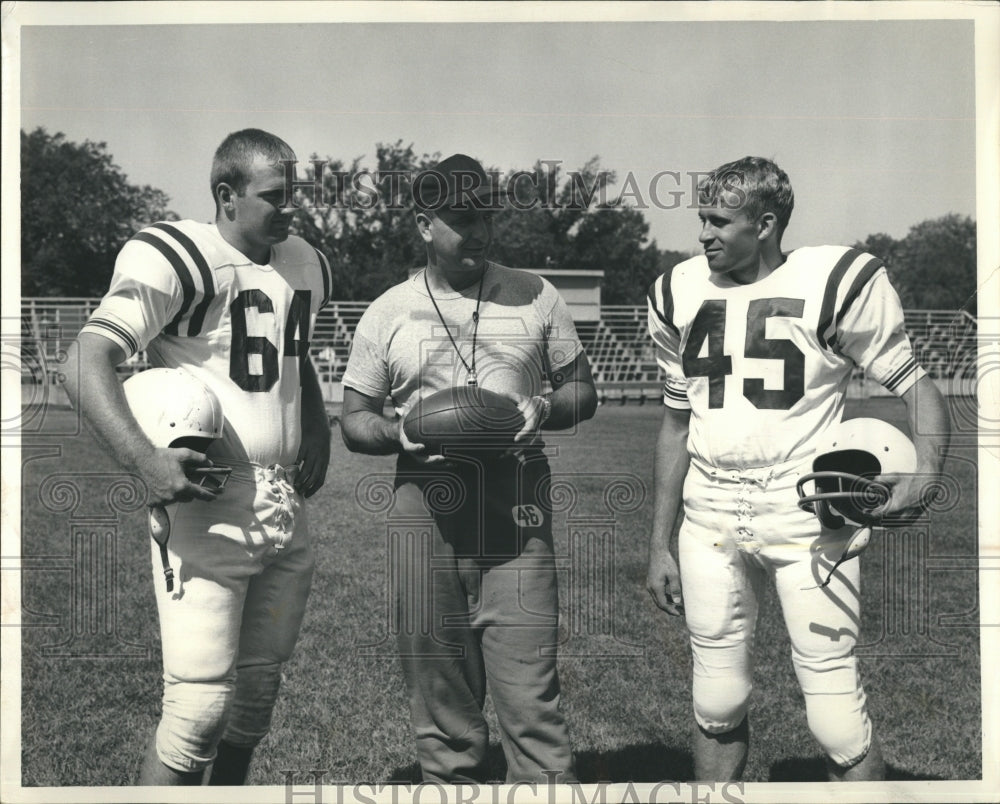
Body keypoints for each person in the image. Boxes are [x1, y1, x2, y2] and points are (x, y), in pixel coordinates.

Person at [645, 156, 951, 781]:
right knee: (716, 699)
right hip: (708, 513)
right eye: (701, 217)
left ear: (764, 224)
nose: (703, 233)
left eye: (719, 221)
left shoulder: (833, 280)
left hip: (806, 509)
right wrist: (658, 542)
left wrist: (924, 474)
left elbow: (916, 385)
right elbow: (676, 424)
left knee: (836, 719)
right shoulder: (676, 290)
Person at [62, 128, 334, 786]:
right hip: (208, 504)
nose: (292, 208)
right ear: (226, 195)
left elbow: (290, 355)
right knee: (197, 711)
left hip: (283, 504)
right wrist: (141, 459)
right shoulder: (181, 253)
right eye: (276, 195)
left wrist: (316, 426)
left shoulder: (305, 261)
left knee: (253, 703)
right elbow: (82, 360)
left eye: (296, 192)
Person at [339, 153, 597, 783]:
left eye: (486, 217)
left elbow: (584, 392)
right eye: (461, 219)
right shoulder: (389, 310)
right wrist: (399, 432)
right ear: (425, 224)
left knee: (530, 694)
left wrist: (542, 405)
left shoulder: (536, 294)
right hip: (425, 501)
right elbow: (353, 420)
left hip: (516, 496)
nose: (478, 231)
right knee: (441, 701)